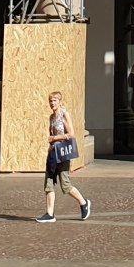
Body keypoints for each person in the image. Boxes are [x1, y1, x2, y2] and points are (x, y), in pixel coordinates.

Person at [37, 90, 93, 224]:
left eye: (54, 100)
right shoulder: (51, 117)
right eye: (50, 101)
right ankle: (50, 214)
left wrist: (55, 137)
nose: (52, 103)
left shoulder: (64, 115)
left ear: (60, 102)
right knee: (49, 183)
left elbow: (72, 134)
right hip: (53, 152)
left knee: (65, 185)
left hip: (63, 153)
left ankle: (84, 202)